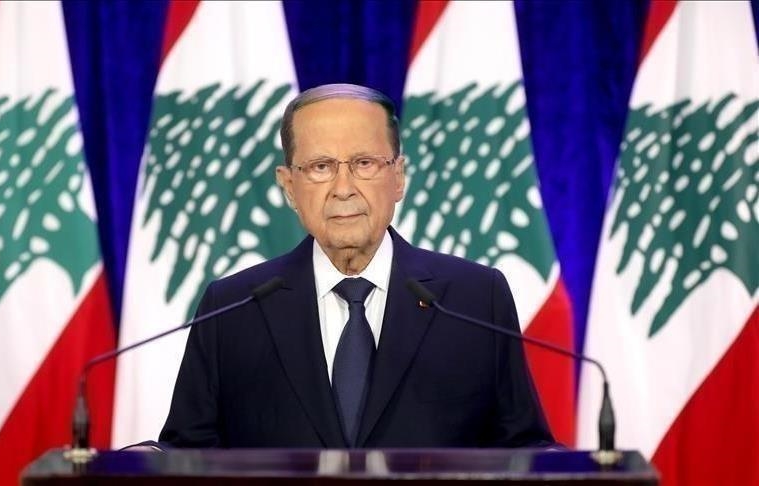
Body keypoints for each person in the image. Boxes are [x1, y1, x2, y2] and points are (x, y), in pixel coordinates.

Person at [159, 83, 554, 448]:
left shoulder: (475, 299)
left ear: (398, 177)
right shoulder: (232, 308)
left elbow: (523, 451)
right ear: (289, 186)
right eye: (320, 167)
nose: (343, 189)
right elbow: (187, 454)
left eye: (364, 163)